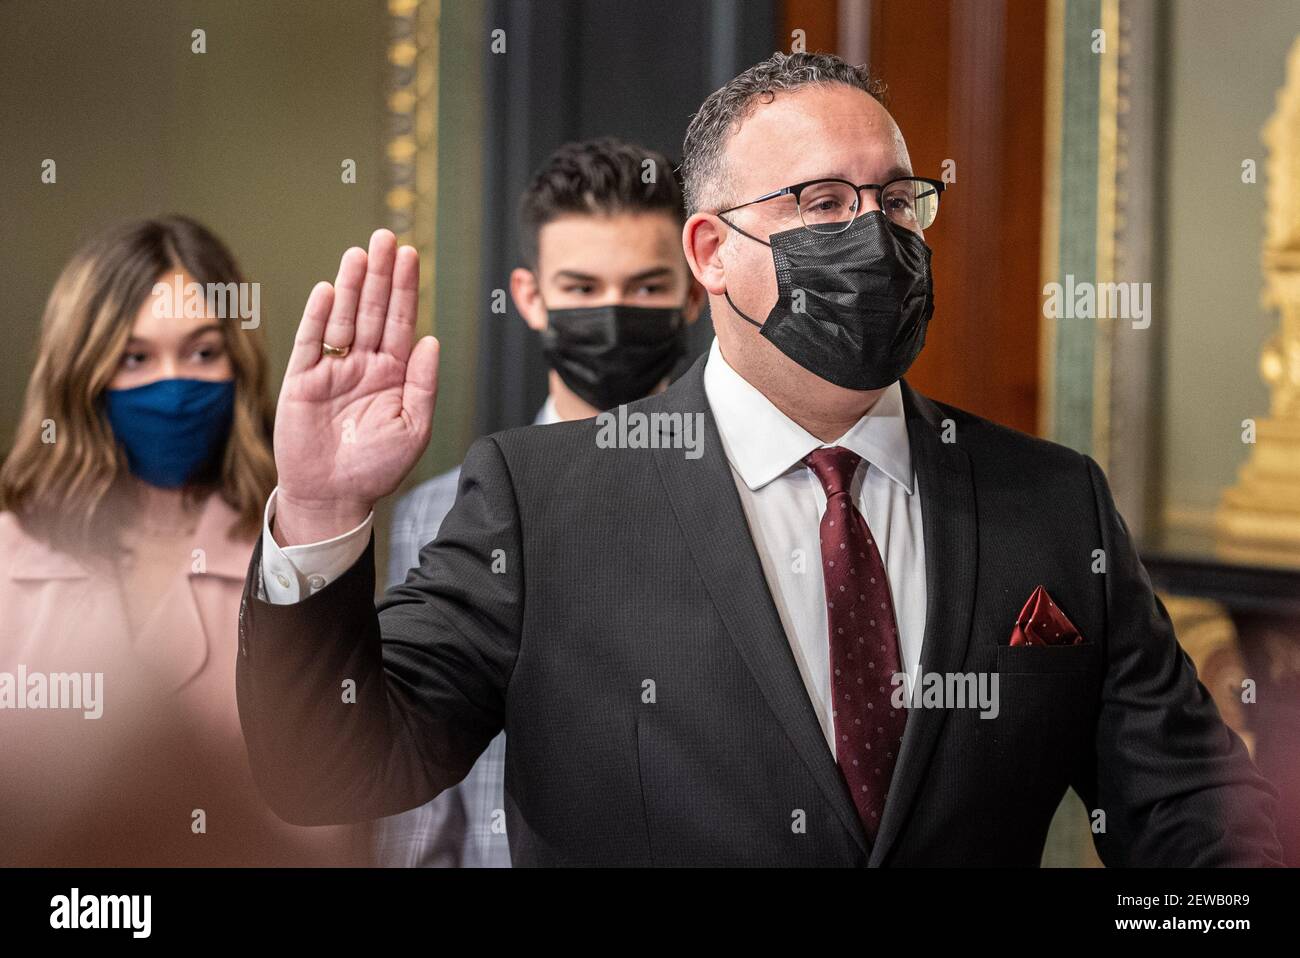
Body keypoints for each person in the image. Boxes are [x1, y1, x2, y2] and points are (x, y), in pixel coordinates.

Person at [237, 52, 1282, 866]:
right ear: (709, 254)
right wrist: (321, 515)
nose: (874, 234)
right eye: (821, 203)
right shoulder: (542, 500)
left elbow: (1187, 814)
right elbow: (333, 767)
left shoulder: (1054, 504)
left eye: (896, 199)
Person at [374, 138, 703, 867]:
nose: (612, 313)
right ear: (530, 297)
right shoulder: (439, 509)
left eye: (646, 287)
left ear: (691, 292)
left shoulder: (739, 489)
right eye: (582, 289)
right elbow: (417, 794)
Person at [0, 216, 363, 866]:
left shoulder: (294, 552)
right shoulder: (11, 551)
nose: (172, 386)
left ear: (238, 360)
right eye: (135, 358)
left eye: (201, 352)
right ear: (81, 372)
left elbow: (333, 806)